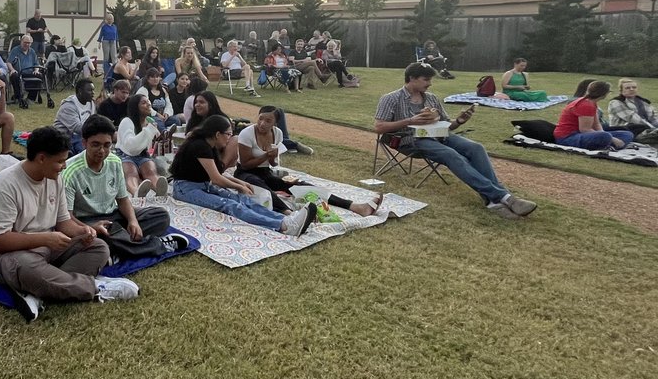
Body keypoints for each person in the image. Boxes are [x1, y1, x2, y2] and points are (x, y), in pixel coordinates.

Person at [0, 126, 139, 322]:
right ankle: (95, 288)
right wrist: (46, 238)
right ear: (41, 158)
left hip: (48, 248)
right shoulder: (5, 185)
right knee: (28, 268)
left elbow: (63, 221)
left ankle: (38, 290)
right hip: (10, 255)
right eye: (60, 161)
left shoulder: (54, 178)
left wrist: (83, 230)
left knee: (98, 247)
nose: (64, 166)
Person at [375, 62, 538, 219]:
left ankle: (493, 201)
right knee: (451, 155)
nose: (430, 83)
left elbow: (447, 126)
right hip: (410, 139)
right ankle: (504, 197)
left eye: (430, 79)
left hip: (439, 135)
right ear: (412, 78)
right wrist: (409, 121)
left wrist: (459, 121)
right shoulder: (391, 98)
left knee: (476, 148)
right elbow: (379, 127)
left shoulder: (431, 98)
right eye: (426, 79)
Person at [62, 115, 186, 259]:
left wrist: (133, 221)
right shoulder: (70, 172)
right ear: (84, 143)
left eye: (107, 145)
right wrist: (90, 228)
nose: (102, 150)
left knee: (161, 216)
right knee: (92, 236)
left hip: (114, 216)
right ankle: (157, 245)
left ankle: (117, 248)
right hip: (88, 221)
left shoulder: (114, 162)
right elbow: (67, 218)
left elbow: (122, 200)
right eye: (96, 144)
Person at [169, 114, 315, 236]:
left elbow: (217, 174)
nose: (229, 138)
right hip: (186, 189)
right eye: (228, 134)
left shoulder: (209, 146)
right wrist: (240, 185)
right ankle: (283, 226)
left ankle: (287, 219)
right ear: (217, 134)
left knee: (240, 199)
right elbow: (216, 179)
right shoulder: (199, 146)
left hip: (203, 185)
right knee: (230, 205)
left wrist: (242, 184)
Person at [235, 107, 380, 215]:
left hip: (265, 172)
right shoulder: (247, 133)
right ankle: (289, 213)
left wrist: (272, 157)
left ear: (276, 123)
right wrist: (266, 156)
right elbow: (246, 164)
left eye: (268, 120)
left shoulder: (277, 133)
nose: (262, 123)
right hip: (245, 173)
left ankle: (355, 207)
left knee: (299, 185)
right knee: (262, 188)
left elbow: (273, 164)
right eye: (260, 118)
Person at [553, 80, 634, 150]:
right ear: (604, 93)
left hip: (581, 134)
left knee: (627, 134)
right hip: (568, 137)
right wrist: (612, 139)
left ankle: (607, 144)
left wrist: (607, 135)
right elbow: (584, 129)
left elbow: (596, 124)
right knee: (605, 136)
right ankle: (610, 145)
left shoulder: (592, 103)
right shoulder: (585, 105)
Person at [117, 94, 166, 197]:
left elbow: (155, 145)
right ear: (135, 107)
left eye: (148, 102)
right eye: (144, 103)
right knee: (131, 173)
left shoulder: (150, 122)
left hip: (143, 155)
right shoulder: (127, 121)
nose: (148, 104)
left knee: (151, 171)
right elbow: (130, 147)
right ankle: (136, 192)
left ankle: (159, 189)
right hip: (125, 155)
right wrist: (148, 130)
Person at [53, 78, 97, 153]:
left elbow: (93, 120)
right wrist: (98, 129)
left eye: (93, 90)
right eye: (90, 90)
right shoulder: (68, 106)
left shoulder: (91, 103)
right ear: (80, 91)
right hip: (65, 136)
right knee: (84, 152)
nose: (93, 93)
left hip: (81, 136)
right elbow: (78, 128)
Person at [7, 34, 41, 108]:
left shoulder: (32, 51)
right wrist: (12, 70)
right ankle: (18, 97)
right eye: (25, 42)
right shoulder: (15, 50)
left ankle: (31, 98)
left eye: (29, 43)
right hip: (19, 72)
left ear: (31, 44)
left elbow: (36, 63)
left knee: (39, 75)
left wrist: (36, 70)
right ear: (21, 42)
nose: (27, 44)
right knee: (14, 76)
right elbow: (9, 62)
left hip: (30, 72)